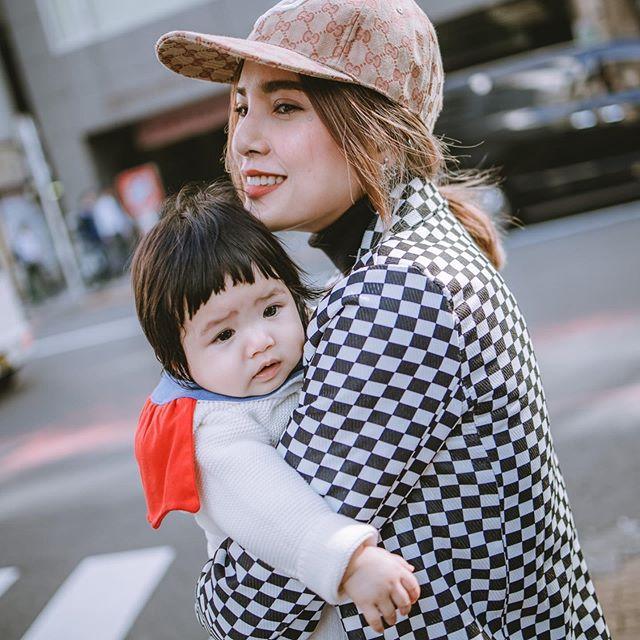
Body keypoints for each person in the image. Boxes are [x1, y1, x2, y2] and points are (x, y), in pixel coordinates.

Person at [155, 1, 611, 638]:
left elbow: (249, 613)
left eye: (284, 106)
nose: (244, 139)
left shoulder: (396, 293)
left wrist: (216, 578)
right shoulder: (410, 259)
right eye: (240, 105)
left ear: (378, 129)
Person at [131, 182, 421, 636]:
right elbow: (271, 509)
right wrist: (349, 560)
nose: (260, 341)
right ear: (178, 363)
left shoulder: (311, 334)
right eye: (224, 335)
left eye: (270, 309)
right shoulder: (213, 431)